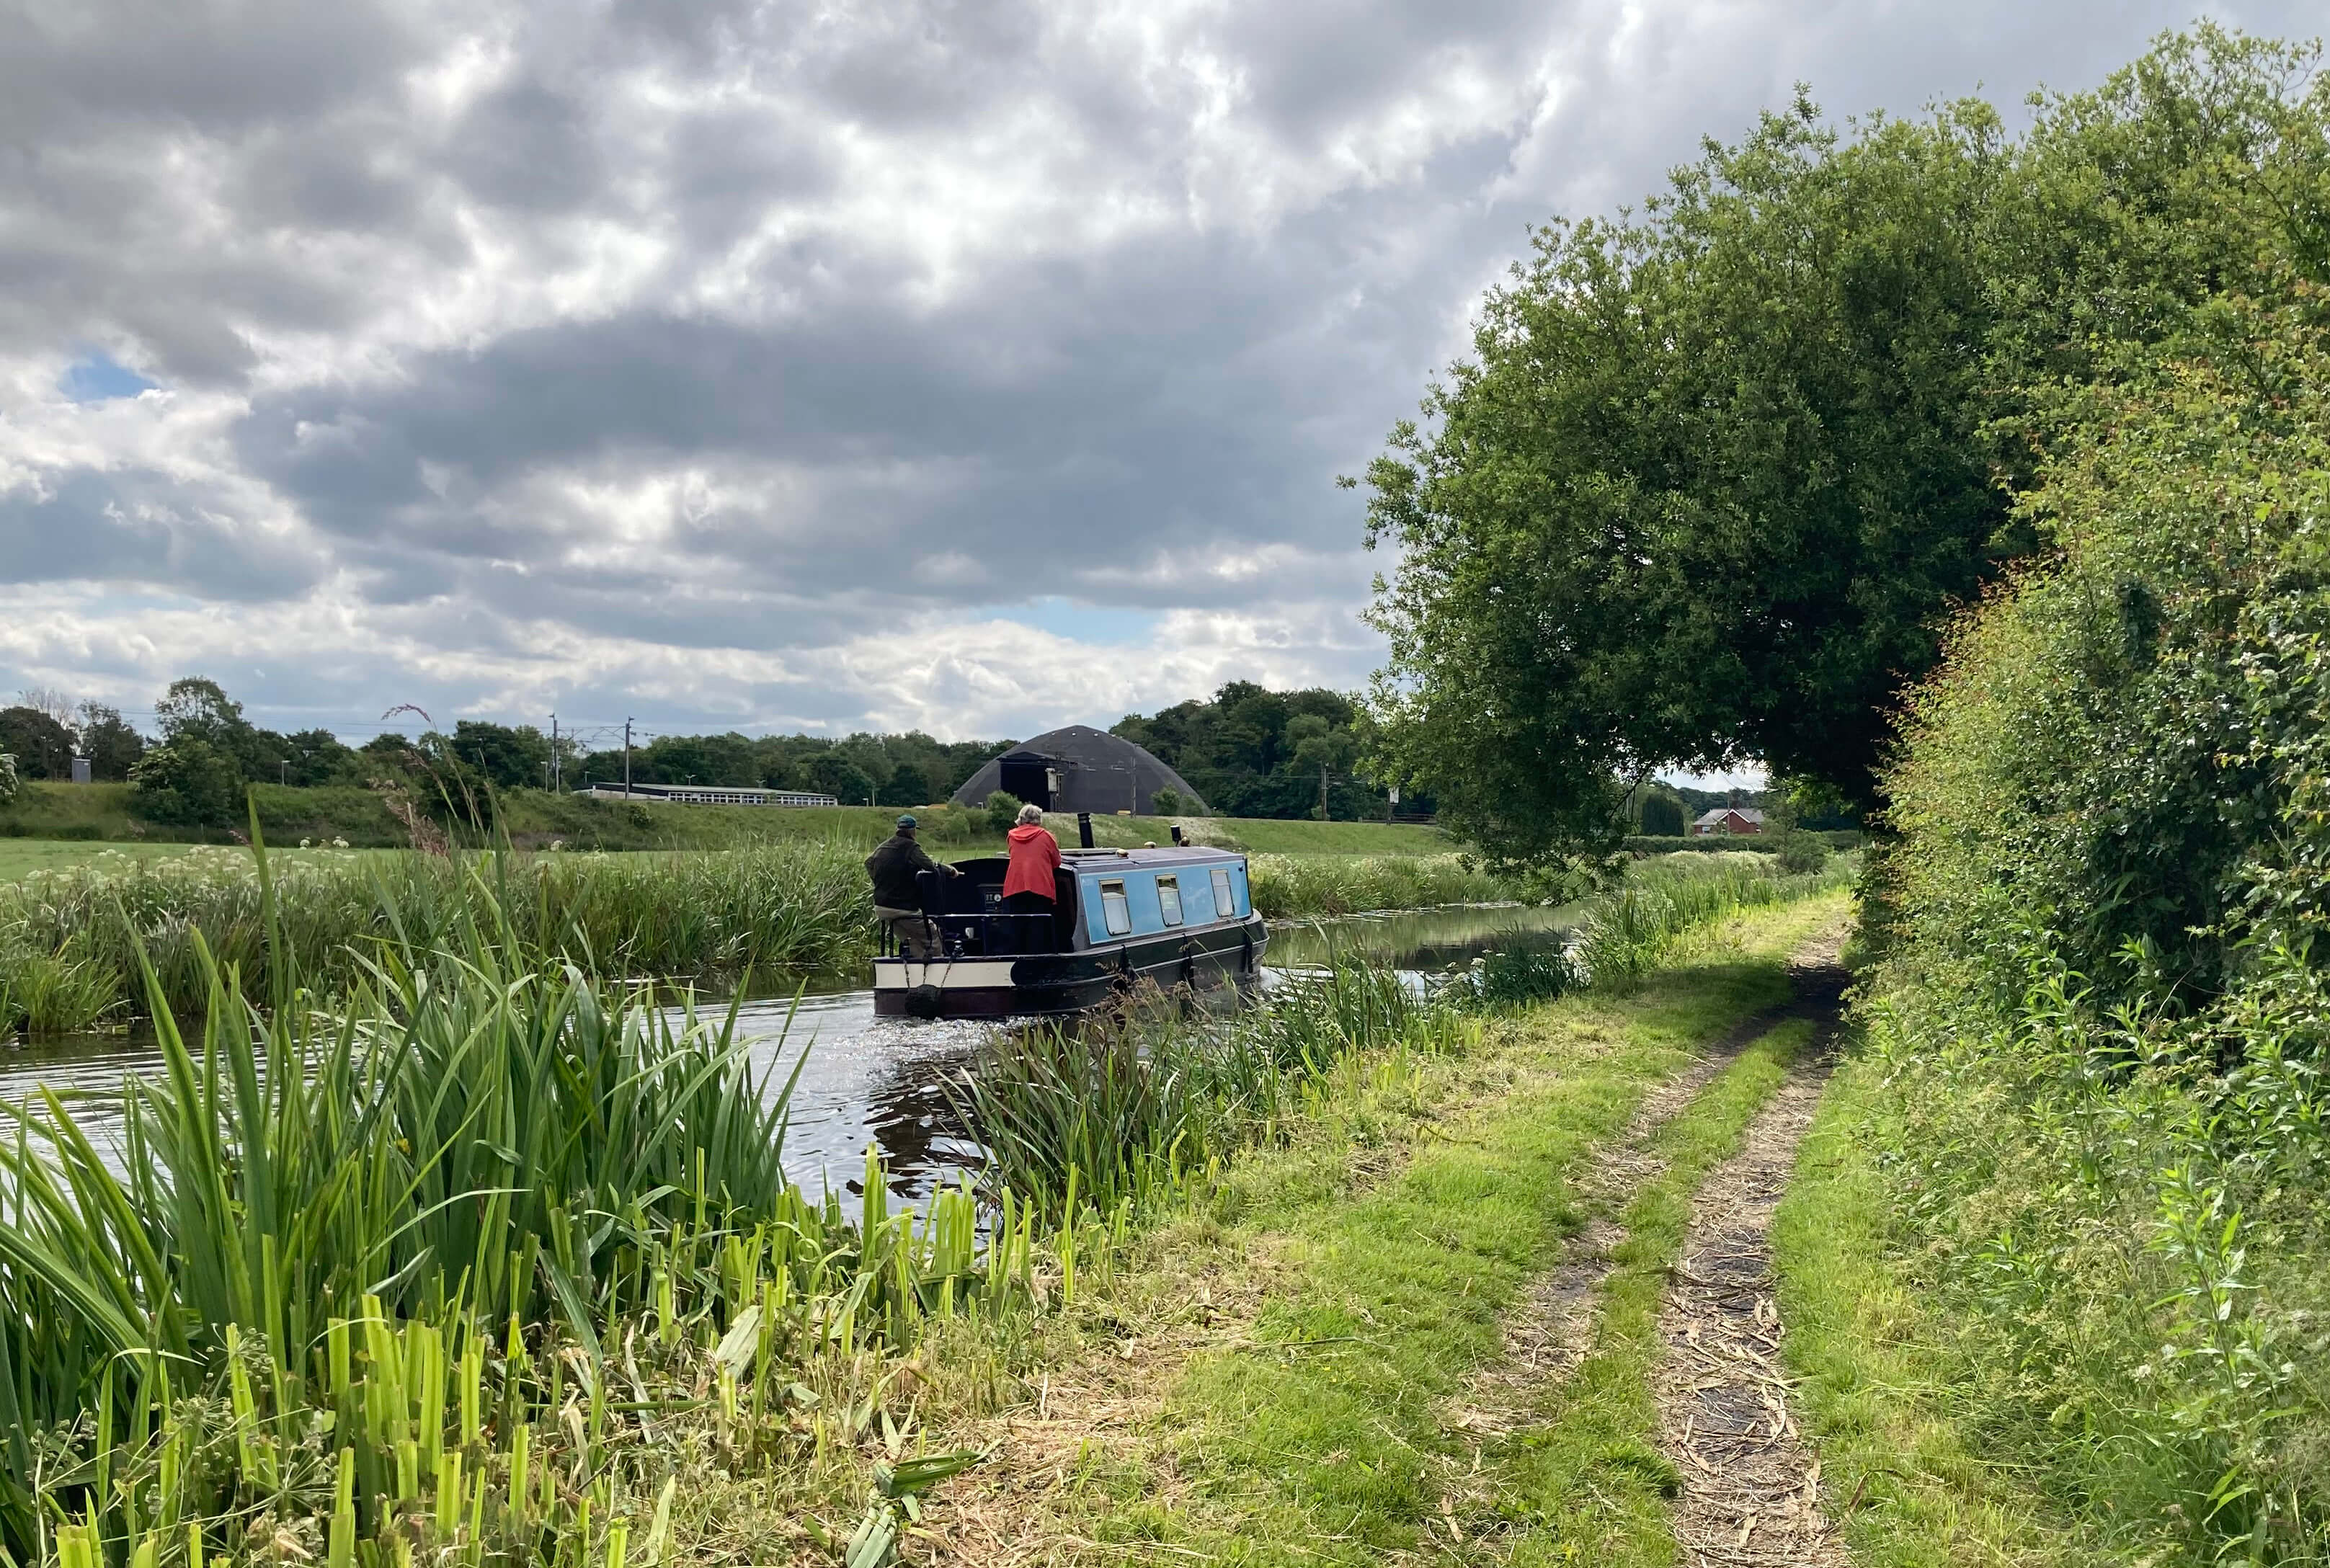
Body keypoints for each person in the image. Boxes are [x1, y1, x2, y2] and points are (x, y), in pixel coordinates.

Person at [866, 814, 957, 959]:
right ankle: (939, 966)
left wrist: (879, 881)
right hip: (902, 908)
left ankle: (920, 972)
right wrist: (950, 871)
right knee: (933, 934)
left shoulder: (883, 847)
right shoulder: (910, 846)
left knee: (912, 940)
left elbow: (868, 863)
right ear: (913, 831)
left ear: (898, 829)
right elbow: (929, 865)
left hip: (881, 906)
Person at [1002, 802, 1062, 943]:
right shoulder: (1046, 837)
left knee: (1018, 927)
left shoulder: (1011, 836)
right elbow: (1057, 862)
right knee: (1039, 929)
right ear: (1039, 820)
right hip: (1039, 887)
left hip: (1015, 887)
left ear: (1021, 820)